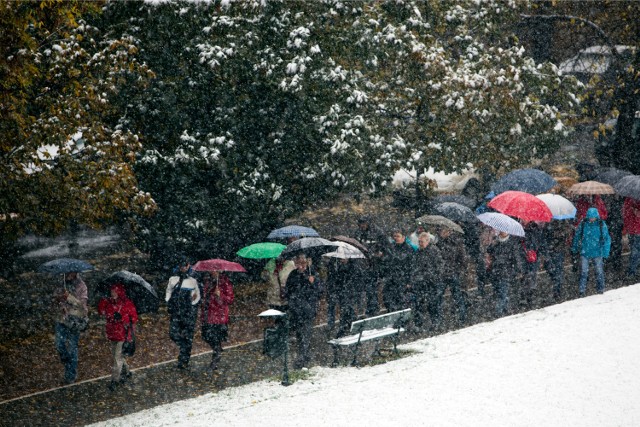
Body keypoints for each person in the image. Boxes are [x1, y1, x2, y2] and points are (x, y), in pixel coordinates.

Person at [284, 254, 323, 369]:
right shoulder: (293, 275)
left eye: (303, 264)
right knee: (299, 334)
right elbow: (288, 291)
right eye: (298, 264)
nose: (300, 266)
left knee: (305, 333)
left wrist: (313, 283)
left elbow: (320, 292)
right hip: (295, 310)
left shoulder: (313, 274)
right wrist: (289, 297)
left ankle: (302, 356)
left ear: (307, 263)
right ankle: (304, 354)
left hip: (308, 310)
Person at [97, 283, 138, 391]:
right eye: (111, 291)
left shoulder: (127, 303)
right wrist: (103, 301)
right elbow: (101, 311)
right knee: (117, 356)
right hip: (112, 333)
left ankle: (115, 380)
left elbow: (133, 318)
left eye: (115, 291)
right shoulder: (108, 302)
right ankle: (127, 372)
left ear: (120, 292)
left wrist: (122, 318)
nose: (113, 293)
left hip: (123, 334)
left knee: (117, 358)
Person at [53, 271, 88, 384]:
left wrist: (69, 297)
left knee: (73, 348)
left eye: (72, 272)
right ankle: (67, 362)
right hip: (62, 319)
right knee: (59, 344)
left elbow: (82, 305)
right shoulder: (61, 283)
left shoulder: (81, 286)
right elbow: (56, 298)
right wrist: (60, 303)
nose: (69, 274)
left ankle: (70, 375)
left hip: (74, 321)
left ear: (75, 272)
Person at [165, 258, 201, 369]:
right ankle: (184, 348)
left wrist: (192, 301)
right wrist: (168, 300)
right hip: (176, 312)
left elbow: (198, 296)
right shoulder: (173, 278)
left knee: (188, 336)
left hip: (189, 313)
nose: (183, 268)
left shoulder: (194, 279)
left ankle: (183, 361)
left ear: (188, 265)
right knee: (173, 333)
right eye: (181, 265)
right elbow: (168, 291)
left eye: (185, 265)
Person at [572, 207, 611, 296]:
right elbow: (577, 237)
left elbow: (606, 239)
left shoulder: (601, 224)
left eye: (593, 217)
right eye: (590, 217)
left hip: (596, 252)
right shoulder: (583, 224)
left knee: (599, 271)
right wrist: (575, 248)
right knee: (584, 272)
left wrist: (605, 252)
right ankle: (582, 290)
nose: (591, 219)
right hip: (585, 252)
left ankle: (600, 289)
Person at [200, 271, 234, 370]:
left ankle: (216, 357)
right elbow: (205, 295)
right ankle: (217, 349)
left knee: (214, 337)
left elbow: (230, 300)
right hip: (207, 314)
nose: (212, 271)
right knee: (205, 336)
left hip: (218, 315)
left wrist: (220, 295)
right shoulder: (208, 281)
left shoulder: (225, 282)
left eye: (215, 270)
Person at [354, 216, 388, 315]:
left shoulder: (378, 232)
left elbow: (385, 249)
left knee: (371, 289)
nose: (362, 226)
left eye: (364, 223)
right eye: (360, 224)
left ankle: (373, 309)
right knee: (363, 290)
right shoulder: (358, 233)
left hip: (374, 265)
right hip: (361, 265)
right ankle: (366, 310)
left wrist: (378, 255)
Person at [410, 232, 443, 331]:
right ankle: (418, 324)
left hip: (431, 281)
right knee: (418, 304)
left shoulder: (434, 251)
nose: (420, 243)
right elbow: (414, 267)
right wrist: (414, 278)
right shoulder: (418, 252)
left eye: (422, 242)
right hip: (420, 282)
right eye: (419, 241)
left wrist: (433, 276)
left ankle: (435, 322)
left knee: (433, 303)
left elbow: (439, 266)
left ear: (427, 241)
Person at [436, 227, 468, 327]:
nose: (442, 232)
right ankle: (439, 320)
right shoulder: (438, 244)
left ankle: (462, 316)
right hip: (443, 274)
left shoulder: (457, 243)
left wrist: (458, 270)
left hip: (453, 273)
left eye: (444, 230)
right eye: (441, 231)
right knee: (439, 297)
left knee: (457, 295)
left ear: (449, 231)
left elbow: (462, 259)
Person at [486, 230, 521, 317]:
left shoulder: (512, 243)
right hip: (495, 271)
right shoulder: (495, 241)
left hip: (505, 272)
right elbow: (489, 251)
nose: (503, 232)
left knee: (502, 292)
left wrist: (517, 270)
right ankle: (505, 309)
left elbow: (516, 258)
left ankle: (498, 312)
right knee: (498, 291)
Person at [383, 228, 416, 312]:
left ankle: (400, 319)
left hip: (402, 278)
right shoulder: (391, 247)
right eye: (395, 236)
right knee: (387, 299)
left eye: (398, 236)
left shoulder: (409, 249)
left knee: (401, 301)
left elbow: (412, 266)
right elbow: (387, 262)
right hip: (391, 278)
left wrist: (409, 281)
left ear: (403, 237)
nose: (396, 238)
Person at [541, 219, 572, 301]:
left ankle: (557, 291)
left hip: (558, 250)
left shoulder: (563, 222)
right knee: (550, 268)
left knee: (558, 270)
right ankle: (557, 285)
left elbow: (565, 233)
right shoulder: (547, 223)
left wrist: (557, 233)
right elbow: (544, 236)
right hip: (549, 250)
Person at [520, 220, 544, 309]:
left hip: (533, 257)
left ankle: (529, 296)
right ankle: (525, 296)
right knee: (526, 277)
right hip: (523, 257)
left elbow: (539, 243)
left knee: (531, 275)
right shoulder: (519, 229)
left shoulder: (535, 229)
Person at [622, 197, 640, 278]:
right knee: (635, 251)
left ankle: (632, 271)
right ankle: (632, 270)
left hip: (634, 229)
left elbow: (625, 215)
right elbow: (626, 215)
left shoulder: (628, 200)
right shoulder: (629, 200)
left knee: (635, 251)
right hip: (634, 229)